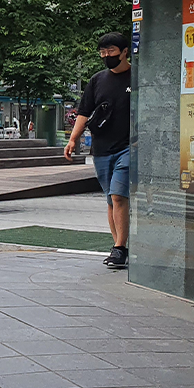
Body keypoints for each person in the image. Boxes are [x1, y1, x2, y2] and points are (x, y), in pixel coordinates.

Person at [65, 31, 132, 270]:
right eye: (103, 53)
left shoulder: (138, 77)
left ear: (125, 52)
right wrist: (74, 139)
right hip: (102, 148)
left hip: (129, 147)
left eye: (111, 52)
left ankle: (121, 247)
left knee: (118, 195)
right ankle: (118, 246)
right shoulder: (97, 80)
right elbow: (84, 111)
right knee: (111, 200)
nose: (106, 56)